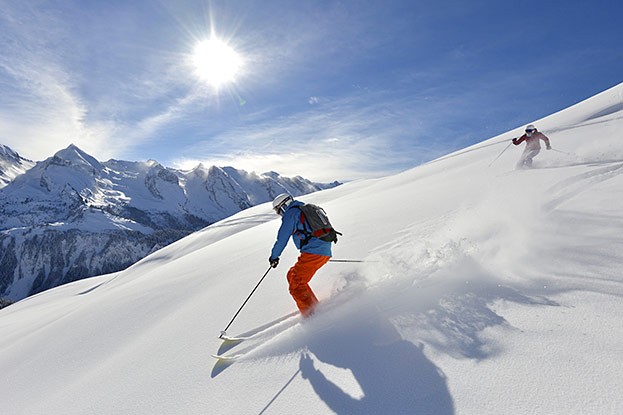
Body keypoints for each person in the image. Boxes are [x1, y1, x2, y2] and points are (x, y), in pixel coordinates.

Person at [268, 193, 332, 317]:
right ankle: (313, 307)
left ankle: (313, 317)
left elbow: (282, 238)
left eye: (278, 210)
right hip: (321, 249)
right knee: (292, 274)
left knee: (296, 283)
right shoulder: (303, 208)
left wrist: (274, 256)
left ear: (283, 206)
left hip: (314, 251)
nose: (279, 214)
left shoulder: (291, 213)